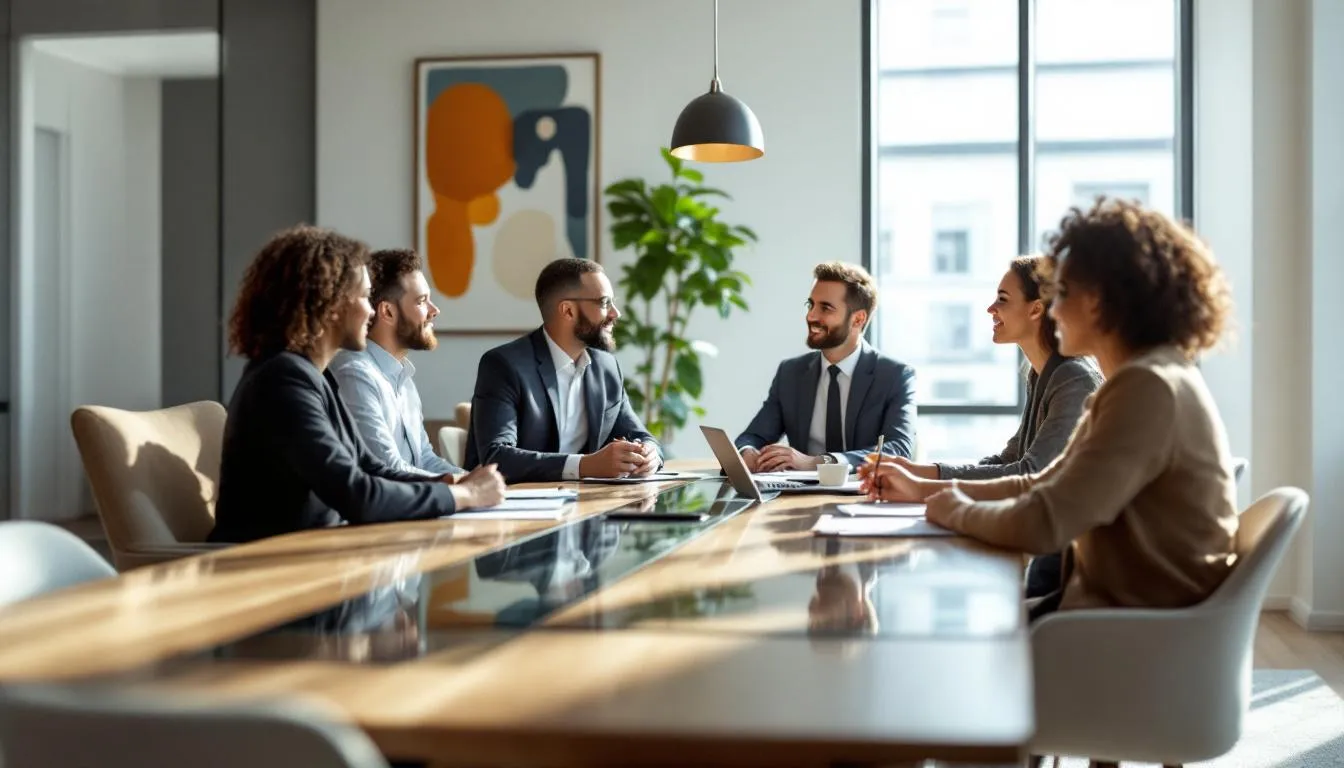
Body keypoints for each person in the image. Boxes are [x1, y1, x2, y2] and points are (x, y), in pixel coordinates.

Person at [860, 198, 1238, 619]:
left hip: (1134, 627)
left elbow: (1045, 522)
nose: (1053, 311)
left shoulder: (1147, 387)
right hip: (1123, 609)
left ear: (1097, 300)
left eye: (1061, 294)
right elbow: (1039, 484)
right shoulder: (1144, 378)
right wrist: (926, 490)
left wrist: (950, 508)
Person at [209, 225, 505, 544]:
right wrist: (464, 496)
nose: (370, 310)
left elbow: (370, 467)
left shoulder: (314, 376)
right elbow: (357, 494)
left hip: (316, 559)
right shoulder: (282, 380)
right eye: (364, 297)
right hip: (265, 573)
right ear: (330, 304)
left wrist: (453, 484)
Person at [882, 254, 1102, 598]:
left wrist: (924, 486)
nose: (990, 310)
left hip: (1068, 575)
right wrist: (922, 471)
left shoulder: (1073, 378)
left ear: (1036, 309)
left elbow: (1033, 472)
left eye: (1002, 299)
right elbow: (1008, 460)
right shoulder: (1041, 373)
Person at [465, 258, 661, 483]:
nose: (615, 313)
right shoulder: (503, 365)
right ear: (568, 310)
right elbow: (497, 457)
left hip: (587, 502)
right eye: (605, 303)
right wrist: (585, 465)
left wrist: (650, 453)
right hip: (514, 507)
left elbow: (641, 435)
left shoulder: (606, 367)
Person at [735, 261, 917, 471]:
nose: (811, 316)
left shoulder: (895, 376)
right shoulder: (791, 373)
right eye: (810, 305)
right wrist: (747, 453)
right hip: (797, 495)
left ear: (858, 319)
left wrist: (816, 462)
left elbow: (899, 449)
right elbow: (754, 435)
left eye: (826, 308)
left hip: (862, 496)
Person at [330, 248, 458, 477]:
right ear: (387, 312)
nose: (434, 310)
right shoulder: (355, 374)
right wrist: (466, 488)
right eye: (422, 301)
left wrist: (471, 479)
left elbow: (425, 460)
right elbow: (387, 469)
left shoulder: (401, 377)